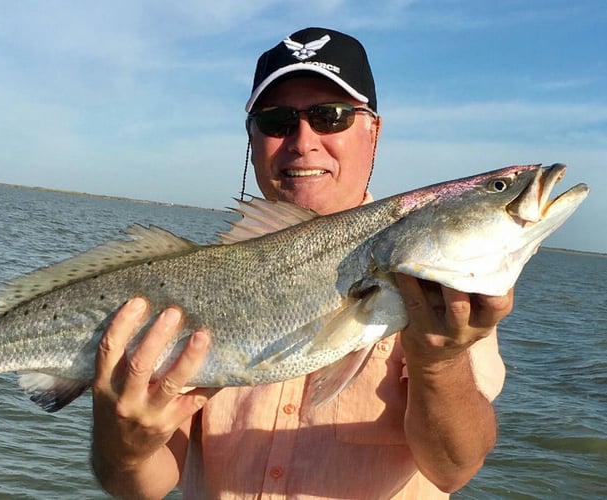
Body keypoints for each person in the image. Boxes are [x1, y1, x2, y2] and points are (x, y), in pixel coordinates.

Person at [91, 27, 512, 499]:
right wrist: (123, 446)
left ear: (373, 130)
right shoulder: (197, 279)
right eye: (277, 120)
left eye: (329, 116)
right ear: (252, 138)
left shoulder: (440, 280)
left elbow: (453, 469)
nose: (302, 140)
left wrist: (439, 361)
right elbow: (140, 487)